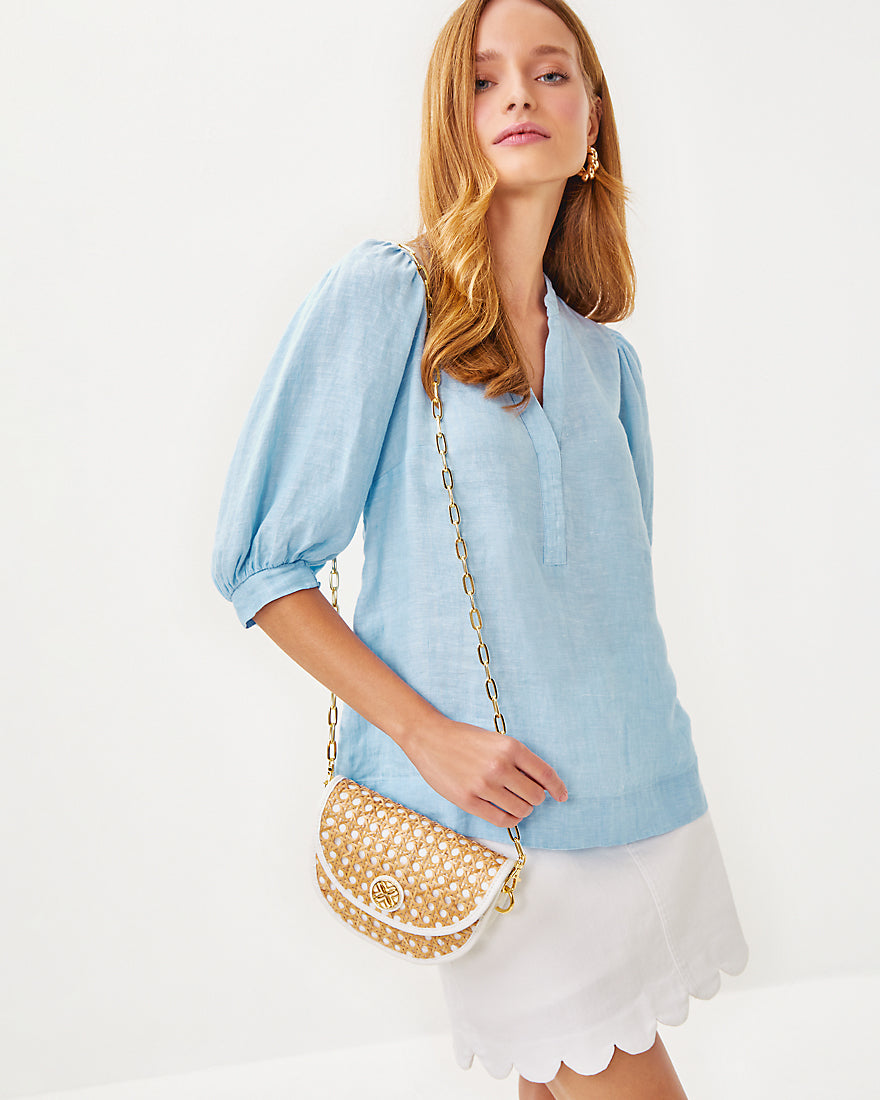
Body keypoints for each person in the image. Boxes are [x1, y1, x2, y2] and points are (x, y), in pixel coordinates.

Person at [211, 0, 749, 1095]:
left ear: (591, 122)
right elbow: (264, 568)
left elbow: (613, 603)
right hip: (492, 823)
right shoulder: (388, 298)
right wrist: (426, 736)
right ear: (450, 119)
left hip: (644, 795)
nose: (517, 95)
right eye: (483, 78)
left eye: (551, 74)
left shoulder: (607, 364)